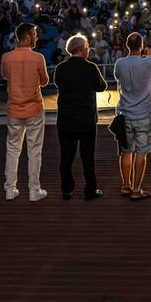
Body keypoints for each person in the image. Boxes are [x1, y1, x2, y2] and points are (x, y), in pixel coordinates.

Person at [114, 31, 151, 201]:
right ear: (141, 46)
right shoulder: (148, 62)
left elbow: (117, 77)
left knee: (126, 151)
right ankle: (136, 188)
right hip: (144, 114)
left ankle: (126, 185)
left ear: (127, 45)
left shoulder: (120, 63)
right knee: (141, 153)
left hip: (125, 113)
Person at [54, 33, 107, 201]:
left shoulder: (60, 68)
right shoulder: (90, 67)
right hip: (86, 119)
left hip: (66, 119)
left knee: (66, 156)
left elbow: (58, 84)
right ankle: (90, 190)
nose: (88, 50)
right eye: (86, 47)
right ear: (81, 49)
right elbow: (101, 87)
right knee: (87, 157)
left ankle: (67, 190)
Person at [0, 23, 50, 202]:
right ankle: (34, 190)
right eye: (35, 34)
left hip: (14, 108)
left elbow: (5, 75)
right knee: (34, 150)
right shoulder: (38, 58)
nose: (37, 37)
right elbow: (44, 81)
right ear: (27, 37)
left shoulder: (6, 57)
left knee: (12, 149)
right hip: (34, 108)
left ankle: (10, 188)